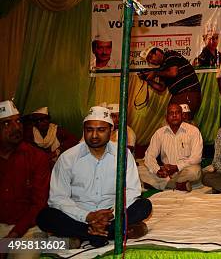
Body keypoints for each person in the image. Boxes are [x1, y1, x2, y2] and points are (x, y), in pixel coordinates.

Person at [37, 106, 151, 248]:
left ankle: (84, 234)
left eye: (101, 130)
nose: (94, 135)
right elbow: (58, 197)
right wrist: (87, 216)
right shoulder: (68, 158)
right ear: (83, 130)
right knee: (45, 216)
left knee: (144, 206)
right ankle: (111, 232)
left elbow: (132, 191)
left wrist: (111, 214)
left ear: (111, 131)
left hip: (112, 213)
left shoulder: (123, 154)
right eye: (89, 130)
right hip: (78, 215)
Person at [0, 100, 51, 241]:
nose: (16, 127)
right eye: (6, 123)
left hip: (28, 228)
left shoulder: (37, 157)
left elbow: (39, 204)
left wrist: (13, 235)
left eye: (18, 121)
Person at [138, 103, 203, 192]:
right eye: (171, 113)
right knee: (141, 169)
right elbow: (149, 156)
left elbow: (196, 158)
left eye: (177, 113)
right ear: (166, 117)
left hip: (184, 170)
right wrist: (157, 170)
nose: (174, 115)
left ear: (182, 115)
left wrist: (176, 167)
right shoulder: (159, 133)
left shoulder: (193, 131)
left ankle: (163, 184)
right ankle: (178, 185)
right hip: (166, 173)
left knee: (195, 171)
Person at [140, 46, 202, 114]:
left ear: (157, 52)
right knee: (172, 118)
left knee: (181, 118)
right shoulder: (162, 68)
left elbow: (173, 73)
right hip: (178, 95)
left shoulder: (170, 55)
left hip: (189, 92)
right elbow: (161, 87)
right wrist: (148, 80)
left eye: (150, 57)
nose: (151, 61)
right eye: (148, 61)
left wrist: (155, 73)